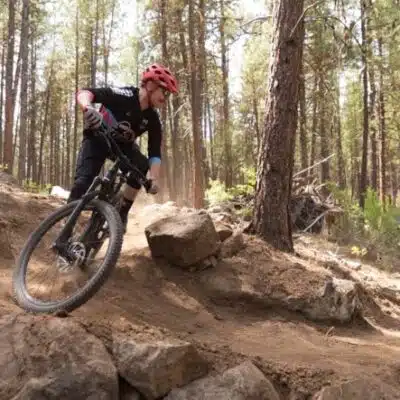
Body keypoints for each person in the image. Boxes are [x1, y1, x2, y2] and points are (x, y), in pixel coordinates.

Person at [68, 63, 179, 231]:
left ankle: (122, 212)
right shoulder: (124, 95)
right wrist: (88, 108)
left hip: (122, 148)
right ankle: (65, 227)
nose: (165, 98)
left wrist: (154, 179)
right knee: (82, 183)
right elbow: (85, 93)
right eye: (164, 92)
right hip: (96, 139)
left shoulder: (153, 119)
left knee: (141, 165)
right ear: (150, 85)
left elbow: (154, 153)